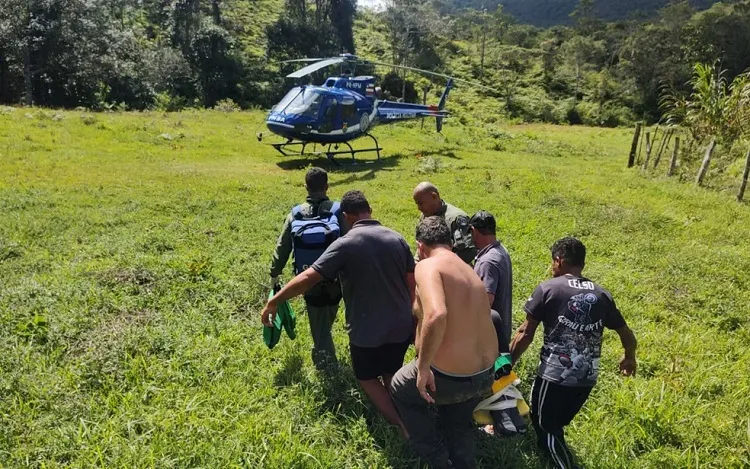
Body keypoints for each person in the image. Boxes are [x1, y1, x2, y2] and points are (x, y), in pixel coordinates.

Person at [262, 190, 415, 437]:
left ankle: (403, 427)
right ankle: (410, 412)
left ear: (346, 216)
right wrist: (414, 317)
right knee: (390, 372)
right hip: (400, 324)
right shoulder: (397, 238)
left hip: (367, 329)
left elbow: (308, 278)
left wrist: (275, 301)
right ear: (370, 211)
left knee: (366, 377)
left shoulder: (344, 245)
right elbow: (412, 283)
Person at [510, 237, 638, 469]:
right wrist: (629, 357)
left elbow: (524, 333)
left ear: (558, 261)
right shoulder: (602, 294)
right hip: (586, 376)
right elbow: (626, 333)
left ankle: (565, 464)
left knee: (544, 424)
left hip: (556, 374)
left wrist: (507, 362)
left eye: (553, 262)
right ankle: (548, 454)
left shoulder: (548, 288)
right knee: (555, 424)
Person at [390, 216, 498, 469]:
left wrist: (424, 367)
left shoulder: (428, 266)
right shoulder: (467, 268)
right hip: (485, 374)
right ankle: (463, 461)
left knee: (399, 387)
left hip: (452, 376)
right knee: (457, 416)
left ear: (420, 246)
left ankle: (435, 457)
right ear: (449, 243)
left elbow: (436, 314)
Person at [269, 167, 345, 370]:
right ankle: (327, 362)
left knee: (319, 323)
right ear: (327, 187)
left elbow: (282, 247)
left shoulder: (295, 214)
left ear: (306, 187)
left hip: (307, 278)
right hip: (337, 279)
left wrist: (274, 273)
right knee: (327, 316)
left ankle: (326, 365)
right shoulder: (339, 211)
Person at [470, 210, 513, 352]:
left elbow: (485, 302)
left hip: (488, 337)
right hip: (500, 331)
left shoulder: (487, 261)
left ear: (473, 230)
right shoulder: (501, 250)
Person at [412, 182, 476, 264]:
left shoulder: (455, 218)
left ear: (434, 196)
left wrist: (443, 265)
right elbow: (421, 244)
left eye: (421, 203)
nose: (419, 208)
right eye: (417, 204)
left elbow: (468, 251)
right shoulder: (425, 215)